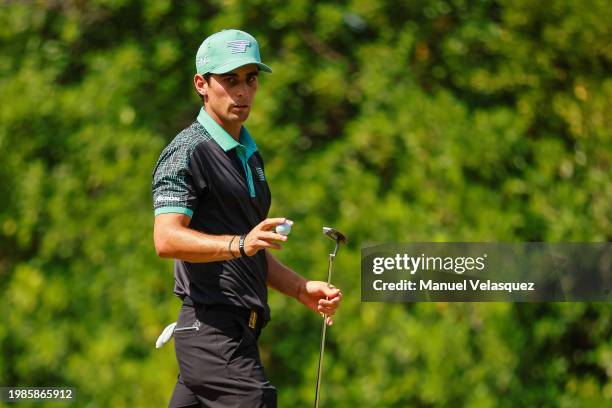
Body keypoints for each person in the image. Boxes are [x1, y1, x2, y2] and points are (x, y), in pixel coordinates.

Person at [151, 29, 342, 408]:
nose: (242, 92)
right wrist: (240, 244)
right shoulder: (186, 152)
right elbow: (166, 239)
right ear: (201, 84)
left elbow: (253, 251)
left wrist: (301, 289)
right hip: (212, 329)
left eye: (250, 79)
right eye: (230, 80)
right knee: (256, 401)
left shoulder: (250, 157)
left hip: (237, 331)